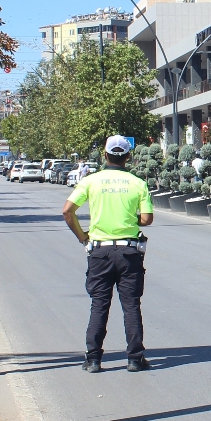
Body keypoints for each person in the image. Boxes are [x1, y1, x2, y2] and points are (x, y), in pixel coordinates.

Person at [63, 135, 153, 372]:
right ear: (128, 157)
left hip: (99, 252)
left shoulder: (91, 181)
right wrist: (128, 219)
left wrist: (83, 236)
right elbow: (146, 219)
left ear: (105, 155)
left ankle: (93, 359)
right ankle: (135, 358)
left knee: (99, 304)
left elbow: (67, 211)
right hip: (129, 252)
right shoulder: (137, 183)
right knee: (131, 305)